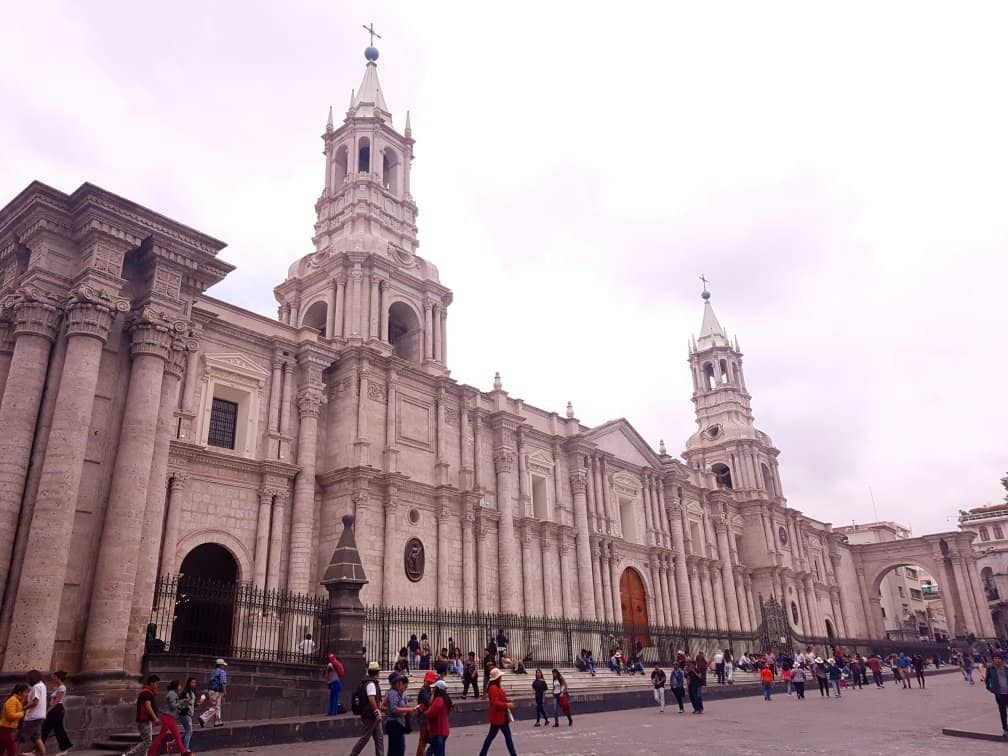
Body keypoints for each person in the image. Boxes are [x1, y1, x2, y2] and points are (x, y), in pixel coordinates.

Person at [478, 668, 517, 756]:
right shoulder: (493, 688)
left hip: (500, 716)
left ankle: (482, 754)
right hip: (499, 717)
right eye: (500, 676)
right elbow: (495, 702)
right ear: (497, 677)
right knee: (506, 737)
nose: (501, 677)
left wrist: (508, 702)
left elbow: (500, 699)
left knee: (492, 737)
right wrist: (507, 705)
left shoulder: (495, 687)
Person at [349, 662, 384, 756]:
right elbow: (371, 699)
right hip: (370, 715)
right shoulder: (371, 684)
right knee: (365, 737)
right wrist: (377, 712)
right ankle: (353, 754)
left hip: (371, 714)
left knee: (379, 737)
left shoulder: (367, 682)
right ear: (377, 672)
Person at [150, 679, 191, 755]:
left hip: (170, 717)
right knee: (162, 737)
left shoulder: (173, 693)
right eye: (179, 685)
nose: (180, 687)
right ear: (176, 686)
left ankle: (183, 752)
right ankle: (151, 753)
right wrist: (183, 702)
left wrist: (184, 703)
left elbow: (176, 706)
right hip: (168, 718)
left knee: (176, 736)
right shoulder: (172, 694)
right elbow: (173, 706)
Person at [123, 675, 160, 756]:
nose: (157, 686)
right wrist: (155, 718)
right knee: (147, 742)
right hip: (144, 721)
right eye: (156, 684)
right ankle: (128, 754)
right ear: (152, 683)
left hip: (146, 721)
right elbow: (148, 706)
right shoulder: (146, 692)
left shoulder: (147, 692)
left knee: (147, 742)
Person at [384, 673, 419, 756]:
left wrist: (413, 708)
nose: (400, 684)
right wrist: (409, 709)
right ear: (395, 683)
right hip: (394, 723)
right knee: (395, 749)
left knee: (399, 748)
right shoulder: (393, 693)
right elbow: (394, 709)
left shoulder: (399, 694)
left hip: (399, 723)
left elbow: (402, 706)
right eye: (399, 682)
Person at [41, 670, 72, 755]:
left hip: (57, 710)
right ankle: (37, 749)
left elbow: (57, 701)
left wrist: (48, 710)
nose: (52, 679)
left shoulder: (62, 687)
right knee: (46, 729)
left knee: (58, 729)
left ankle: (65, 748)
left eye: (54, 677)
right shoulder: (57, 687)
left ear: (58, 678)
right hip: (55, 710)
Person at [22, 669, 47, 756]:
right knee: (37, 738)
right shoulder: (42, 685)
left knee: (20, 737)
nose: (27, 680)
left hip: (33, 716)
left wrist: (24, 708)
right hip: (40, 716)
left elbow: (35, 702)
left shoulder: (36, 687)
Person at [424, 680, 452, 756]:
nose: (433, 690)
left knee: (436, 752)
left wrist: (423, 713)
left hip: (438, 730)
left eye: (434, 688)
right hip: (443, 730)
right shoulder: (445, 699)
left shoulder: (439, 700)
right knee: (439, 752)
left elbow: (431, 713)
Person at [199, 658, 228, 727]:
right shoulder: (222, 672)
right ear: (220, 665)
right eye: (223, 665)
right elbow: (223, 682)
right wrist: (225, 691)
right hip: (217, 691)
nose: (224, 666)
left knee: (217, 706)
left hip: (211, 691)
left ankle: (218, 721)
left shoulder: (214, 672)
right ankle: (203, 718)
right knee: (216, 707)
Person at [0, 685, 28, 756]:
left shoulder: (17, 700)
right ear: (19, 692)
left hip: (7, 728)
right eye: (25, 692)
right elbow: (10, 716)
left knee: (2, 748)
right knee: (12, 748)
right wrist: (22, 713)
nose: (26, 694)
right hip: (5, 728)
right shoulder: (12, 700)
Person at [985, 653, 1008, 735]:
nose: (997, 660)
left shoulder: (1006, 668)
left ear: (1002, 660)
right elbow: (987, 681)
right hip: (1000, 694)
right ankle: (1005, 729)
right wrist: (992, 689)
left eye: (999, 658)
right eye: (995, 658)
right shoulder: (990, 669)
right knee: (1003, 712)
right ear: (993, 660)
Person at [415, 671, 438, 756]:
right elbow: (429, 702)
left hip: (426, 717)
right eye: (428, 681)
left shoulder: (427, 689)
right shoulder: (424, 691)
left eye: (430, 682)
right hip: (423, 717)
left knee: (424, 740)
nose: (429, 683)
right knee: (423, 740)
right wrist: (433, 693)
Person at [178, 677, 198, 752]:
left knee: (188, 731)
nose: (194, 684)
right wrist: (187, 702)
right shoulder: (185, 692)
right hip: (185, 714)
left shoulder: (193, 692)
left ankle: (172, 743)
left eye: (195, 682)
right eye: (192, 682)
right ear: (188, 683)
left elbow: (192, 704)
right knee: (189, 731)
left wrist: (197, 704)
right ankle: (186, 749)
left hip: (189, 714)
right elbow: (180, 704)